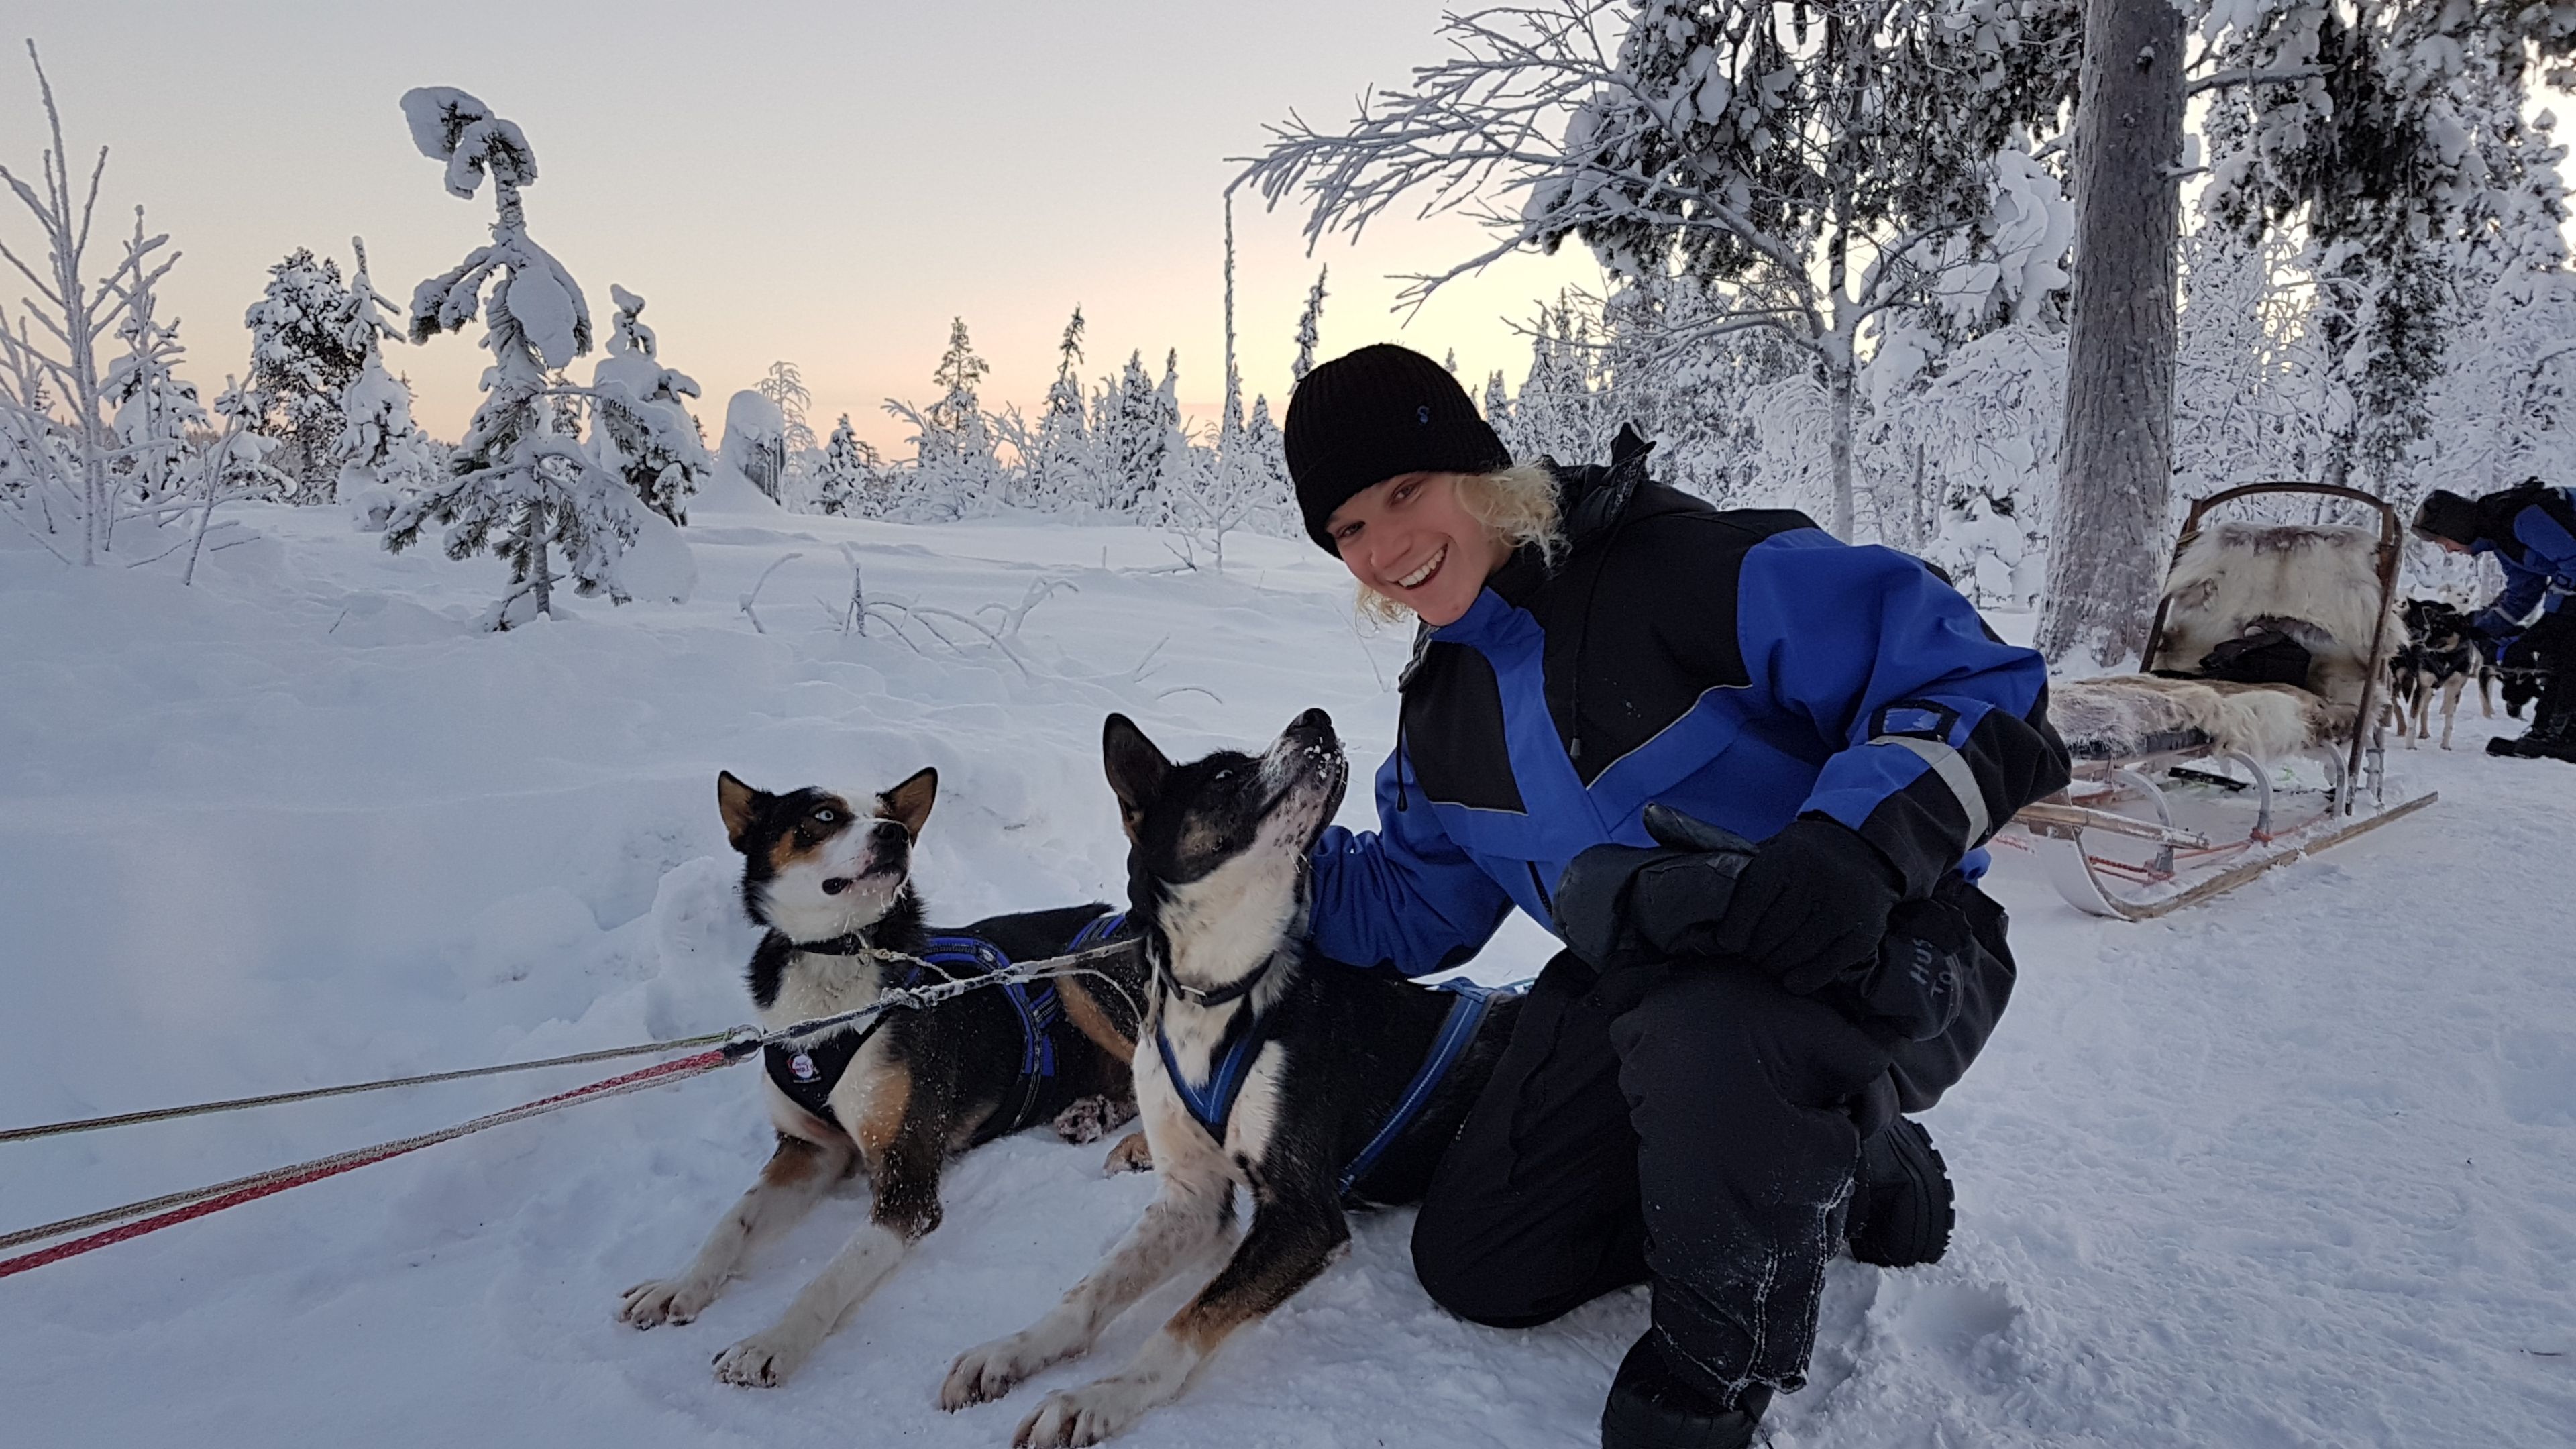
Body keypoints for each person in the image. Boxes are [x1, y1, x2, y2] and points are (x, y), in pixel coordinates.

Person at [1283, 344, 2070, 1449]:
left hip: (1889, 950)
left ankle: (1724, 1354)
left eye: (1405, 494)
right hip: (1655, 995)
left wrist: (1856, 847)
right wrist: (1240, 884)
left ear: (1479, 471)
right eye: (1349, 530)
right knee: (1484, 1262)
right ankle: (1830, 1168)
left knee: (1713, 1028)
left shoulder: (1688, 568)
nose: (1385, 549)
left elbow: (1979, 685)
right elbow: (1416, 904)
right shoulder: (1442, 713)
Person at [2412, 480, 2576, 761]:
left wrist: (2552, 618)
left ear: (2457, 526)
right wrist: (2477, 630)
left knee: (2567, 642)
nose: (2448, 550)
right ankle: (2546, 733)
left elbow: (2574, 559)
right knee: (2558, 640)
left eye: (2443, 541)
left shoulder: (2525, 519)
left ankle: (2564, 735)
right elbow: (2523, 592)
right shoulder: (2501, 538)